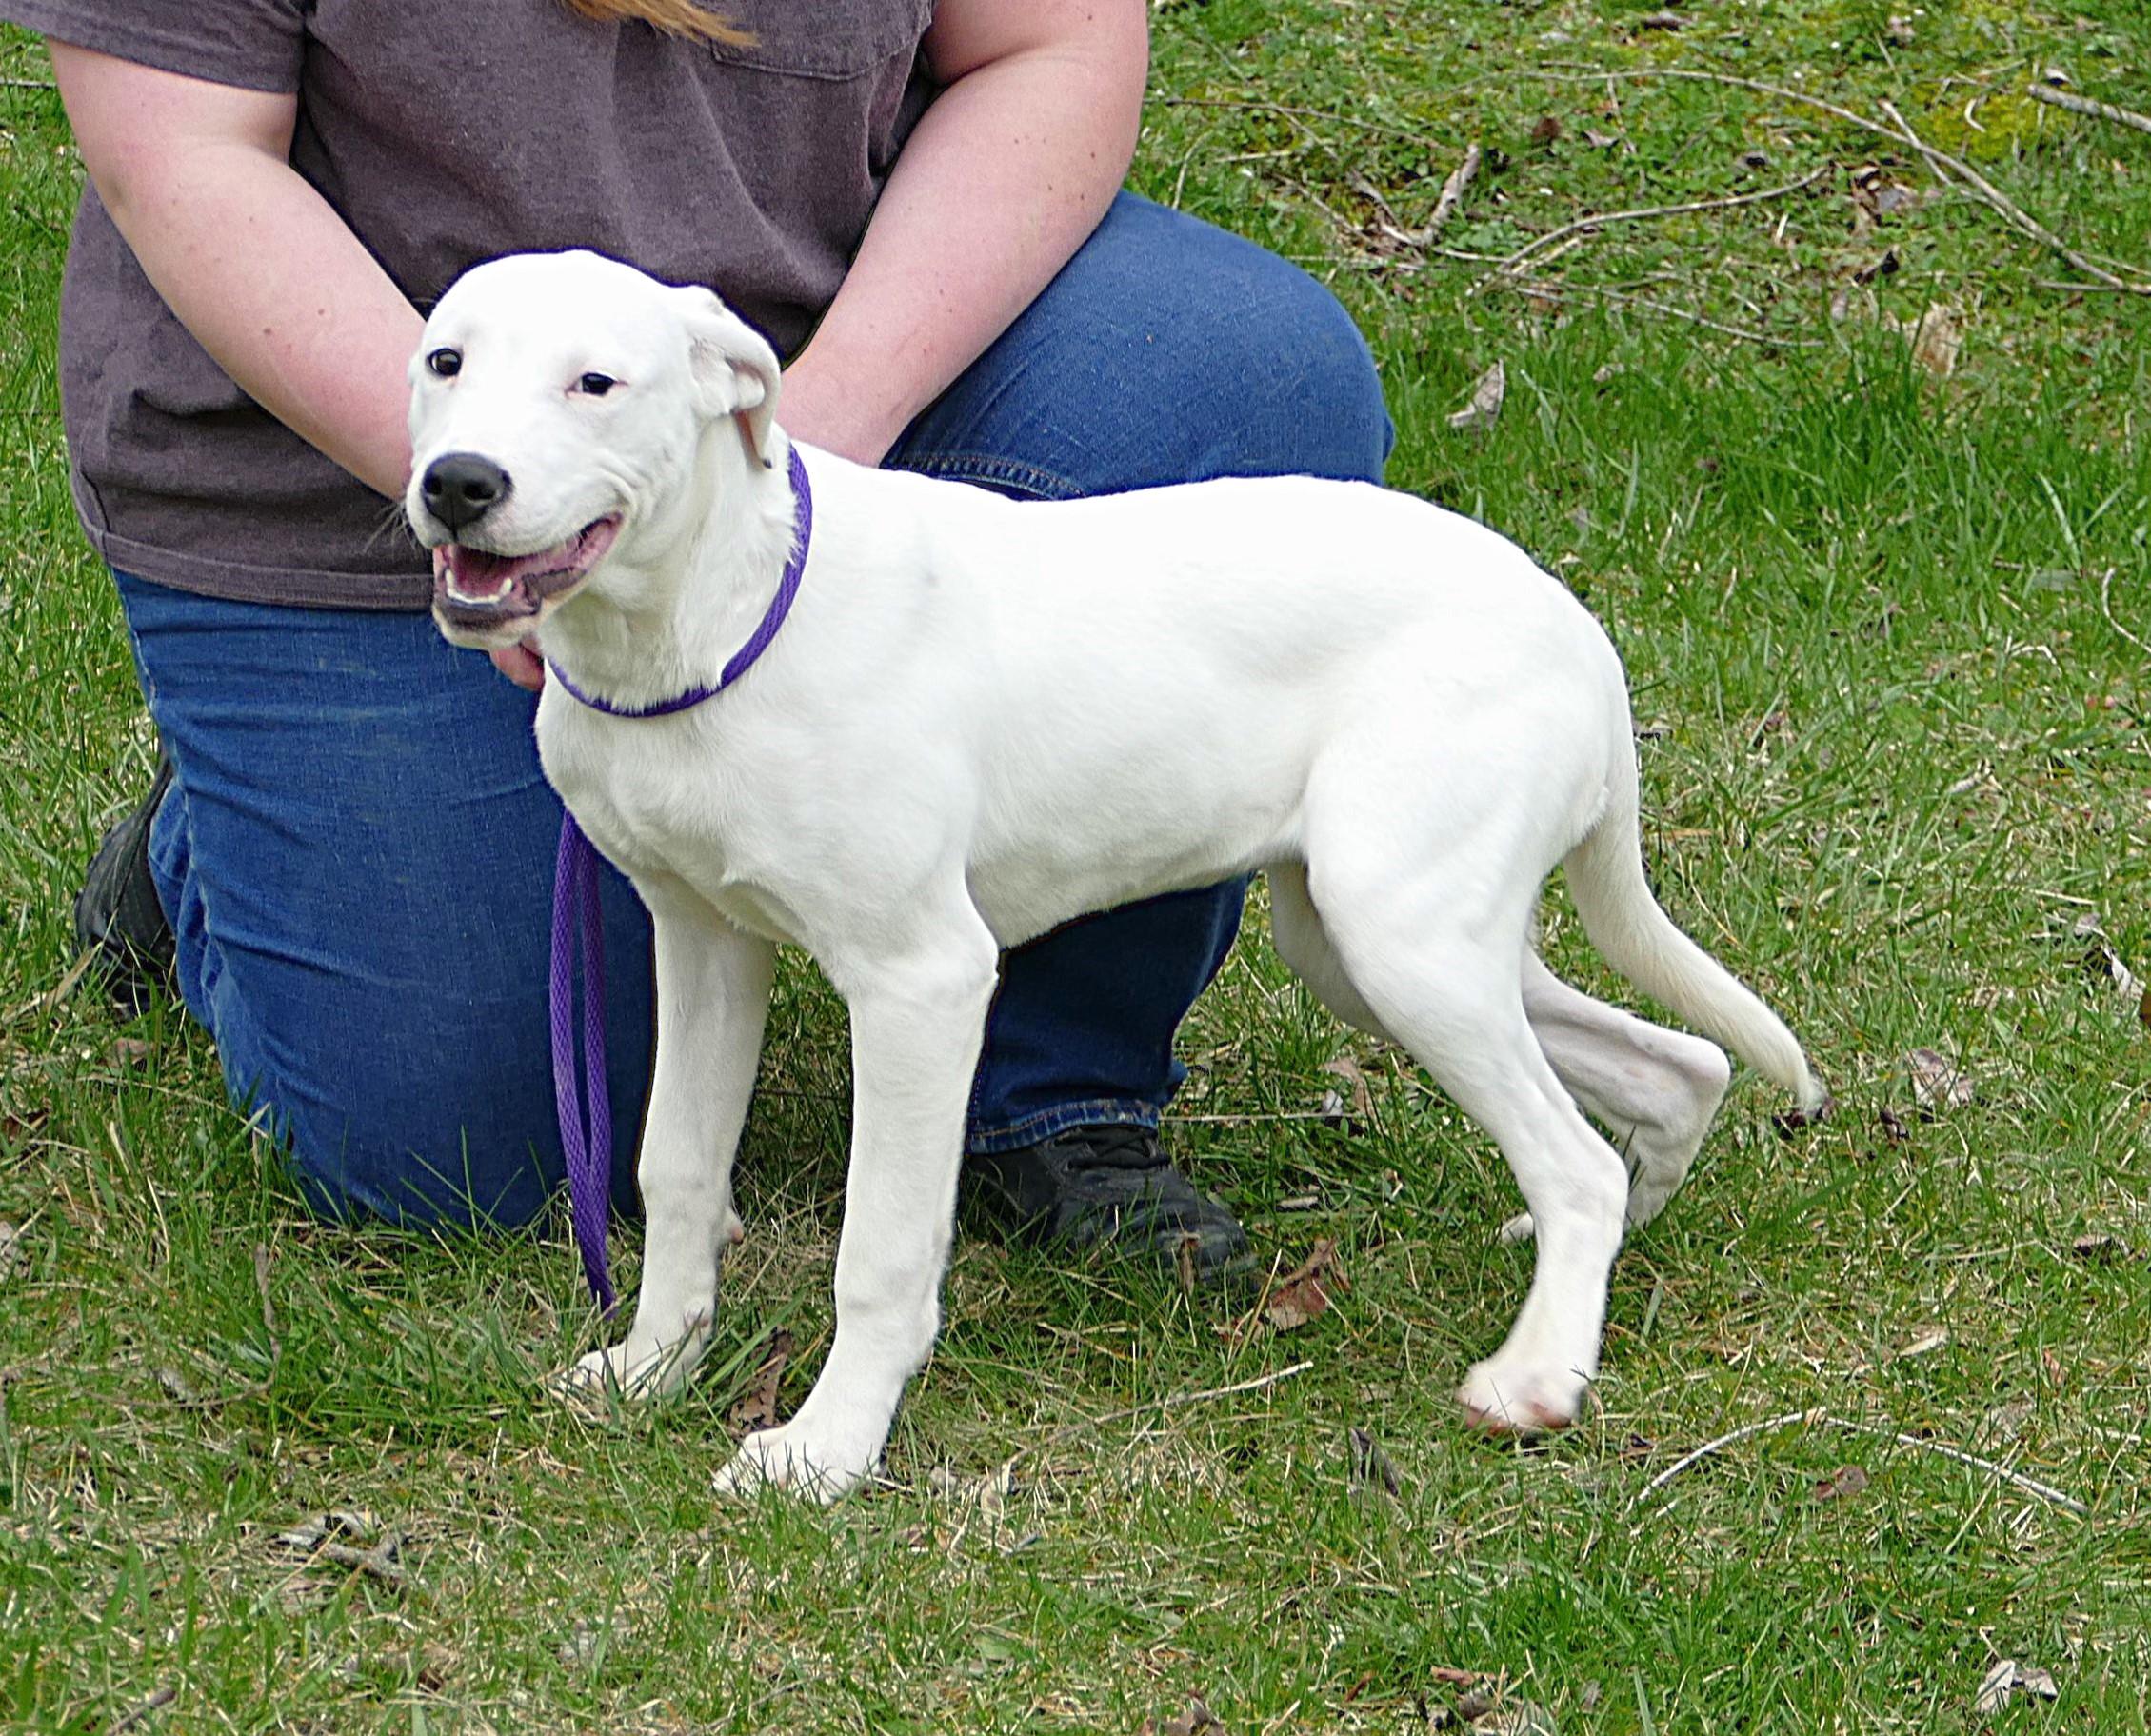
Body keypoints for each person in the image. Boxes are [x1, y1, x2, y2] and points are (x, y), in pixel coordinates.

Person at [18, 0, 1391, 1282]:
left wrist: (790, 470)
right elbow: (191, 159)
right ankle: (207, 854)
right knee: (471, 1152)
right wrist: (509, 527)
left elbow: (1050, 45)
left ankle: (1051, 1087)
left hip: (802, 358)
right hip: (370, 448)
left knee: (1248, 381)